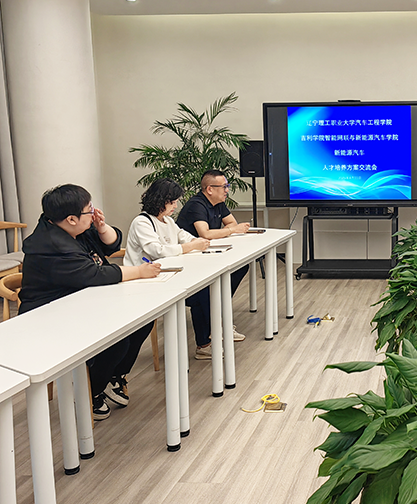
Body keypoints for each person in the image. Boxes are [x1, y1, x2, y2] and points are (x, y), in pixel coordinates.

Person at [18, 184, 161, 420]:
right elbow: (94, 274)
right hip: (48, 316)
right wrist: (138, 272)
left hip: (81, 303)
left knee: (142, 320)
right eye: (89, 210)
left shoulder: (71, 228)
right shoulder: (51, 245)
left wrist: (102, 227)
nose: (93, 212)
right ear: (71, 218)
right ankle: (90, 391)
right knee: (117, 337)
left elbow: (111, 245)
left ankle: (112, 376)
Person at [124, 179, 211, 368]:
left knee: (203, 291)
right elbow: (157, 251)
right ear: (160, 200)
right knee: (199, 296)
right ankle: (203, 344)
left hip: (168, 276)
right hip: (143, 281)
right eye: (172, 202)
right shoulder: (142, 222)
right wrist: (190, 247)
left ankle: (205, 342)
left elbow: (185, 237)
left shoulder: (168, 221)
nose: (175, 206)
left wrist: (198, 242)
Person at [175, 170, 250, 356]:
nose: (227, 190)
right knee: (206, 291)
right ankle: (207, 339)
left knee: (240, 267)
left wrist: (227, 230)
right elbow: (206, 233)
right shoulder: (196, 205)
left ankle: (219, 316)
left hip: (207, 254)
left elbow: (232, 223)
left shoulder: (219, 203)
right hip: (189, 262)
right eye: (224, 187)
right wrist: (230, 231)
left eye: (227, 186)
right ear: (209, 189)